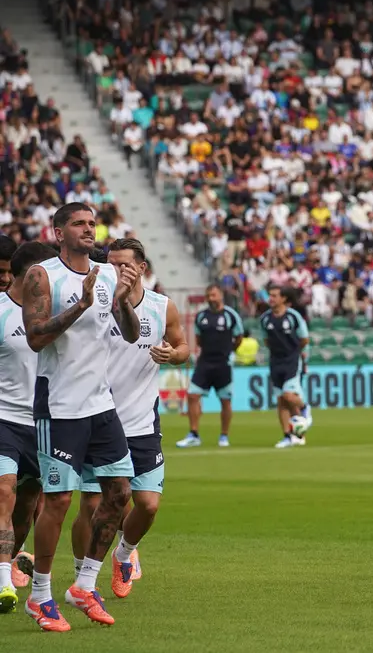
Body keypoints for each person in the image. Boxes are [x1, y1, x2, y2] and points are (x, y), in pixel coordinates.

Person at [22, 202, 142, 631]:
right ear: (59, 232)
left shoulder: (108, 274)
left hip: (100, 405)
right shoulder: (43, 276)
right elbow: (36, 339)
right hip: (60, 407)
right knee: (57, 502)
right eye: (79, 223)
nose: (89, 229)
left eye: (93, 223)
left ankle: (84, 584)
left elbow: (129, 333)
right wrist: (81, 305)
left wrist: (123, 303)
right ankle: (39, 596)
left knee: (119, 494)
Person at [71, 239, 189, 600]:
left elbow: (183, 346)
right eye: (110, 263)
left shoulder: (161, 306)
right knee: (91, 504)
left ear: (141, 268)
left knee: (148, 505)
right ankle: (82, 579)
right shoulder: (96, 303)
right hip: (98, 416)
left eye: (124, 264)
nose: (116, 270)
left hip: (140, 421)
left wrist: (173, 354)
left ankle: (124, 553)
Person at [0, 242, 57, 613]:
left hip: (42, 423)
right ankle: (3, 581)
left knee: (26, 509)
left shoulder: (53, 313)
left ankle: (11, 559)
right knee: (3, 492)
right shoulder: (2, 311)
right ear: (26, 274)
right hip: (3, 417)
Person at [178, 284, 244, 449]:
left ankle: (224, 435)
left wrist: (229, 351)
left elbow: (239, 337)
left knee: (225, 401)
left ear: (220, 295)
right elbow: (199, 339)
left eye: (214, 295)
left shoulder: (231, 315)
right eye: (209, 296)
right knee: (193, 395)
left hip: (223, 364)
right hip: (205, 362)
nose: (211, 298)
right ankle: (194, 434)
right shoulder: (201, 316)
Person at [260, 286, 312, 448]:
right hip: (275, 361)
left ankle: (305, 408)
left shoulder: (293, 317)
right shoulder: (265, 319)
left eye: (275, 296)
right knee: (282, 400)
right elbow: (266, 341)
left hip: (292, 360)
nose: (271, 299)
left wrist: (294, 352)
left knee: (289, 396)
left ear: (283, 298)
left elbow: (304, 339)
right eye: (270, 295)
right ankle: (289, 435)